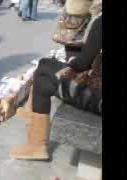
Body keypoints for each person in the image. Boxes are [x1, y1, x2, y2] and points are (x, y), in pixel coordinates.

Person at [9, 9, 101, 161]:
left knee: (44, 72)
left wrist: (71, 62)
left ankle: (36, 145)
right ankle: (31, 113)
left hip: (97, 98)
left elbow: (83, 63)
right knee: (46, 66)